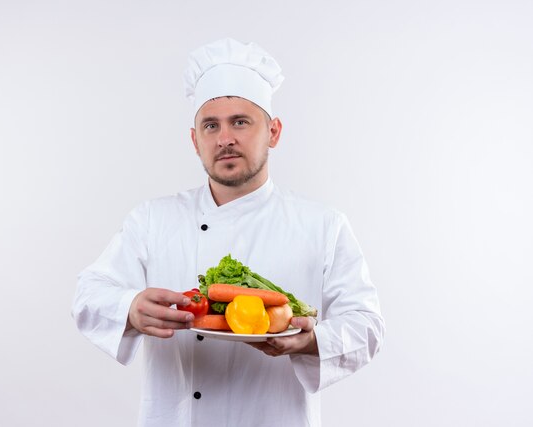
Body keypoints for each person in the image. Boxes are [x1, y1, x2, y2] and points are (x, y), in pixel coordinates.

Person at [72, 38, 385, 426]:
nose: (225, 138)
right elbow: (88, 293)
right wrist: (130, 310)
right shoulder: (152, 219)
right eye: (211, 125)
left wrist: (312, 340)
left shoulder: (323, 224)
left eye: (240, 121)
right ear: (195, 140)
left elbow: (366, 324)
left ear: (273, 131)